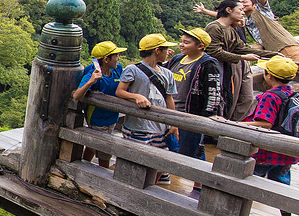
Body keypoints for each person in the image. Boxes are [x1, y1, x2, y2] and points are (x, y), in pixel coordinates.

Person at [243, 56, 299, 216]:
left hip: (266, 153)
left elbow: (265, 123)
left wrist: (236, 124)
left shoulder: (270, 96)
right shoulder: (292, 93)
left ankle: (237, 214)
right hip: (287, 152)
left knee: (245, 183)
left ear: (268, 76)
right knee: (282, 187)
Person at [116, 34, 179, 185]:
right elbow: (120, 91)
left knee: (159, 166)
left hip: (160, 128)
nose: (168, 52)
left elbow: (169, 99)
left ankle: (149, 190)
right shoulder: (133, 70)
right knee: (136, 165)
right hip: (138, 127)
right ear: (157, 50)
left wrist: (174, 124)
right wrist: (136, 96)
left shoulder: (167, 73)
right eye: (165, 49)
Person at [204, 0, 280, 122]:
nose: (243, 13)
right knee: (224, 100)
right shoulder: (215, 27)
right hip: (218, 70)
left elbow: (243, 48)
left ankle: (235, 125)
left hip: (230, 68)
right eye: (240, 9)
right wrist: (242, 58)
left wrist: (274, 54)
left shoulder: (230, 29)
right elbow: (214, 52)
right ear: (229, 10)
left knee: (245, 98)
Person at [165, 28, 223, 171]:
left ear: (200, 46)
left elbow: (214, 93)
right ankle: (164, 175)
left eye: (187, 42)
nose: (181, 45)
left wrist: (205, 118)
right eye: (181, 41)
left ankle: (199, 184)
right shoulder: (177, 59)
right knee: (169, 149)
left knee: (193, 151)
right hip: (171, 111)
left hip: (191, 114)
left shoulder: (208, 64)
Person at [72, 41, 127, 168]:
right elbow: (77, 96)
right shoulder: (93, 73)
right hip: (98, 120)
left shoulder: (117, 69)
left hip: (112, 118)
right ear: (106, 59)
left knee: (92, 147)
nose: (118, 58)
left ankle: (81, 167)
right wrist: (90, 82)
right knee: (104, 155)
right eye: (116, 56)